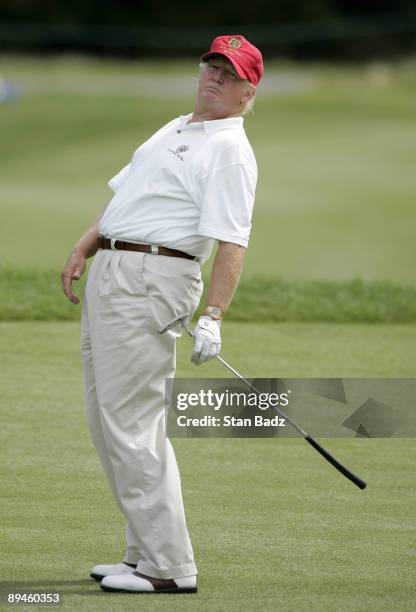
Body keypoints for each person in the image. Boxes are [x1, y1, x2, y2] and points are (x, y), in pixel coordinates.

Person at [60, 34, 263, 595]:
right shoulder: (178, 127)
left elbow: (232, 242)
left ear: (248, 92)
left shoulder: (229, 150)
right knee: (108, 422)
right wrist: (85, 245)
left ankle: (170, 567)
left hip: (154, 278)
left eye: (229, 74)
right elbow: (127, 197)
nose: (215, 78)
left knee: (133, 424)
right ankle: (142, 552)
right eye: (211, 66)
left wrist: (214, 314)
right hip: (115, 268)